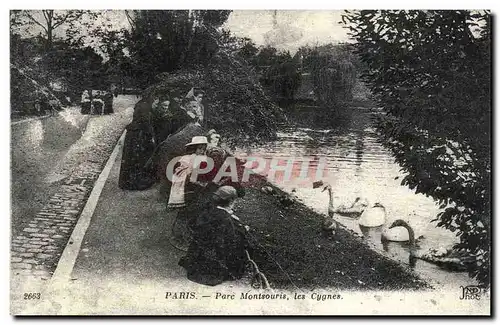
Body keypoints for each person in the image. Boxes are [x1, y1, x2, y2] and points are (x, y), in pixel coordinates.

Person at [179, 186, 250, 286]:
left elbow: (193, 224)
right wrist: (243, 229)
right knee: (237, 248)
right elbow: (231, 241)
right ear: (231, 202)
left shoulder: (207, 211)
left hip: (198, 255)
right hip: (214, 260)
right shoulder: (225, 219)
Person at [168, 136, 210, 249]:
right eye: (199, 148)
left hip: (196, 189)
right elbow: (180, 173)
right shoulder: (186, 159)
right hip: (187, 188)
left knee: (194, 212)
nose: (202, 151)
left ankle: (187, 236)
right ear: (194, 148)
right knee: (185, 213)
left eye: (203, 148)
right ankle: (179, 238)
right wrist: (189, 174)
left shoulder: (205, 159)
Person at [118, 96, 157, 190]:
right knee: (137, 159)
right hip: (138, 135)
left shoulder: (141, 104)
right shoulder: (145, 107)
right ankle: (135, 183)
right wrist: (151, 135)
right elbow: (146, 122)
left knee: (130, 158)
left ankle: (127, 182)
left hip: (134, 134)